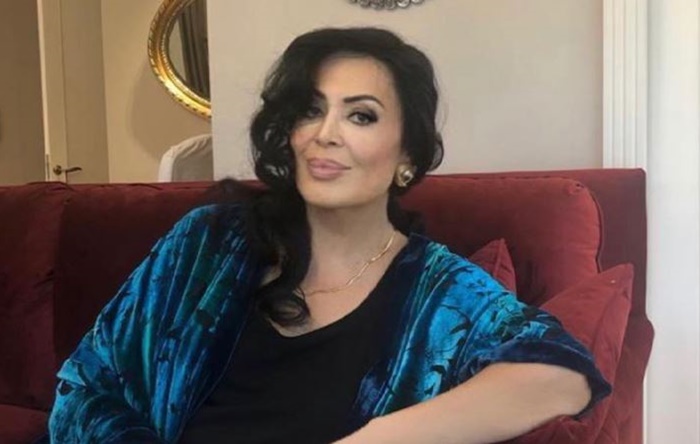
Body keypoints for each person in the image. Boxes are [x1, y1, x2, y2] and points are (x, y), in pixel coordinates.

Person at [47, 27, 610, 444]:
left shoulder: (440, 291)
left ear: (407, 155)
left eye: (360, 116)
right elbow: (86, 387)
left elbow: (563, 373)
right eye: (309, 111)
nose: (325, 134)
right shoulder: (208, 245)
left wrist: (379, 438)